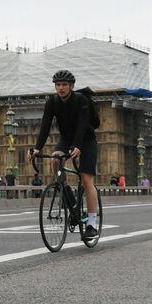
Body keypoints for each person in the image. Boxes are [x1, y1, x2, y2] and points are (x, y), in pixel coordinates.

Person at [28, 70, 100, 239]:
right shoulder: (52, 102)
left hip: (86, 140)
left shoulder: (81, 100)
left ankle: (91, 224)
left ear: (71, 86)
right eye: (58, 85)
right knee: (55, 159)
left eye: (64, 85)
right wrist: (37, 148)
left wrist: (77, 146)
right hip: (66, 139)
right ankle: (67, 193)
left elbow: (83, 125)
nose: (60, 88)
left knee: (87, 179)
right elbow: (45, 126)